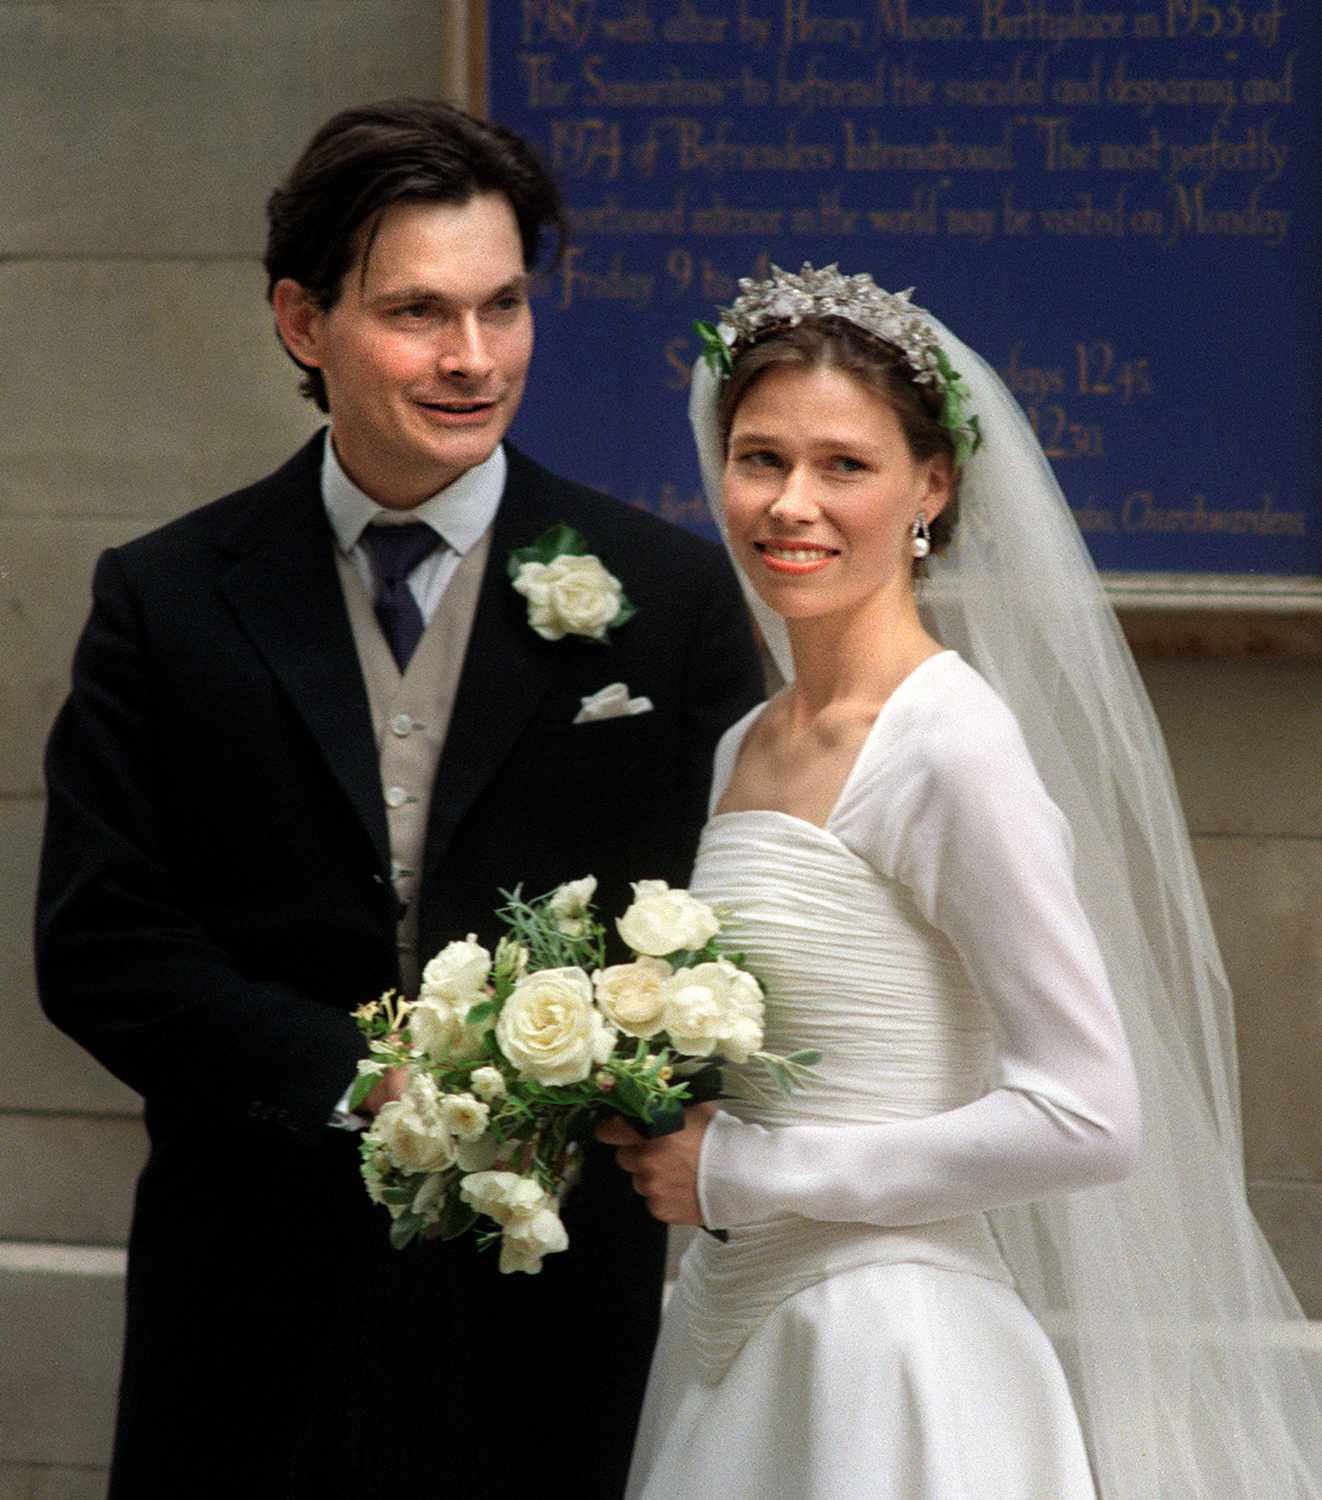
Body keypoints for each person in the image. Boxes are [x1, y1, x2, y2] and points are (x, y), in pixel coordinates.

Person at [34, 99, 762, 1499]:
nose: (473, 359)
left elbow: (735, 922)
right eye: (420, 312)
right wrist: (366, 1084)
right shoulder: (168, 598)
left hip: (555, 1301)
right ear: (305, 324)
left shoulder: (662, 603)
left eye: (502, 306)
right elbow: (101, 945)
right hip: (246, 1295)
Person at [600, 265, 1322, 1499]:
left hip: (892, 1352)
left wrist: (749, 1175)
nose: (789, 503)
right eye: (759, 457)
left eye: (843, 466)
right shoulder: (747, 741)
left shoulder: (947, 743)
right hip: (735, 1327)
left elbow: (1088, 1115)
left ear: (929, 488)